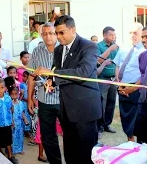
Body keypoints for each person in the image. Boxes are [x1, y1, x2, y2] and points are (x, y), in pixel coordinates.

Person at [34, 15, 102, 164]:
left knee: (87, 154)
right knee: (70, 152)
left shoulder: (88, 46)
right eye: (56, 33)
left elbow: (83, 72)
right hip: (66, 109)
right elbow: (57, 71)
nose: (58, 37)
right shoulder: (59, 50)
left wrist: (53, 74)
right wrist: (51, 81)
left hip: (85, 110)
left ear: (73, 30)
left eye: (61, 33)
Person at [28, 22, 62, 164]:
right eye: (45, 33)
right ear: (41, 35)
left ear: (57, 34)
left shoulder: (64, 50)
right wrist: (30, 98)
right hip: (44, 100)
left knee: (71, 134)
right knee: (48, 136)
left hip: (63, 100)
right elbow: (31, 75)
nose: (48, 36)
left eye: (52, 33)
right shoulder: (37, 51)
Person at [113, 22, 146, 142]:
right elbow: (117, 65)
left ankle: (139, 144)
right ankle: (129, 141)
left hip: (136, 89)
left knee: (137, 119)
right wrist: (119, 83)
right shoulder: (123, 48)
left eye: (135, 33)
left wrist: (133, 88)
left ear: (141, 34)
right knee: (125, 117)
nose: (132, 35)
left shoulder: (145, 51)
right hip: (122, 87)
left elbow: (145, 74)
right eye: (130, 33)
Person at [96, 26, 118, 134]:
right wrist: (109, 50)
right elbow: (97, 60)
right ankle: (99, 127)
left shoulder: (116, 46)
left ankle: (107, 125)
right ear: (104, 35)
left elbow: (118, 60)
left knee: (111, 103)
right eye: (111, 35)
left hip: (113, 79)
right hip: (102, 79)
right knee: (101, 103)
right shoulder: (98, 46)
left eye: (114, 35)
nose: (113, 37)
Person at [0, 77, 18, 164]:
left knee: (8, 140)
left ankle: (10, 155)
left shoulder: (8, 98)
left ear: (5, 88)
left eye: (2, 88)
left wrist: (12, 121)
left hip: (7, 123)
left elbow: (11, 109)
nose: (0, 90)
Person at [9, 86, 29, 155]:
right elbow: (10, 114)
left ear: (18, 94)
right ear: (10, 95)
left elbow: (22, 112)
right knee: (14, 137)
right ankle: (13, 150)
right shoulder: (10, 104)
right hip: (14, 124)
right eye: (12, 94)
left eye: (16, 94)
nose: (14, 96)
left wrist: (25, 119)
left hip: (20, 124)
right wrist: (12, 122)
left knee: (20, 137)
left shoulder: (21, 103)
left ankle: (20, 149)